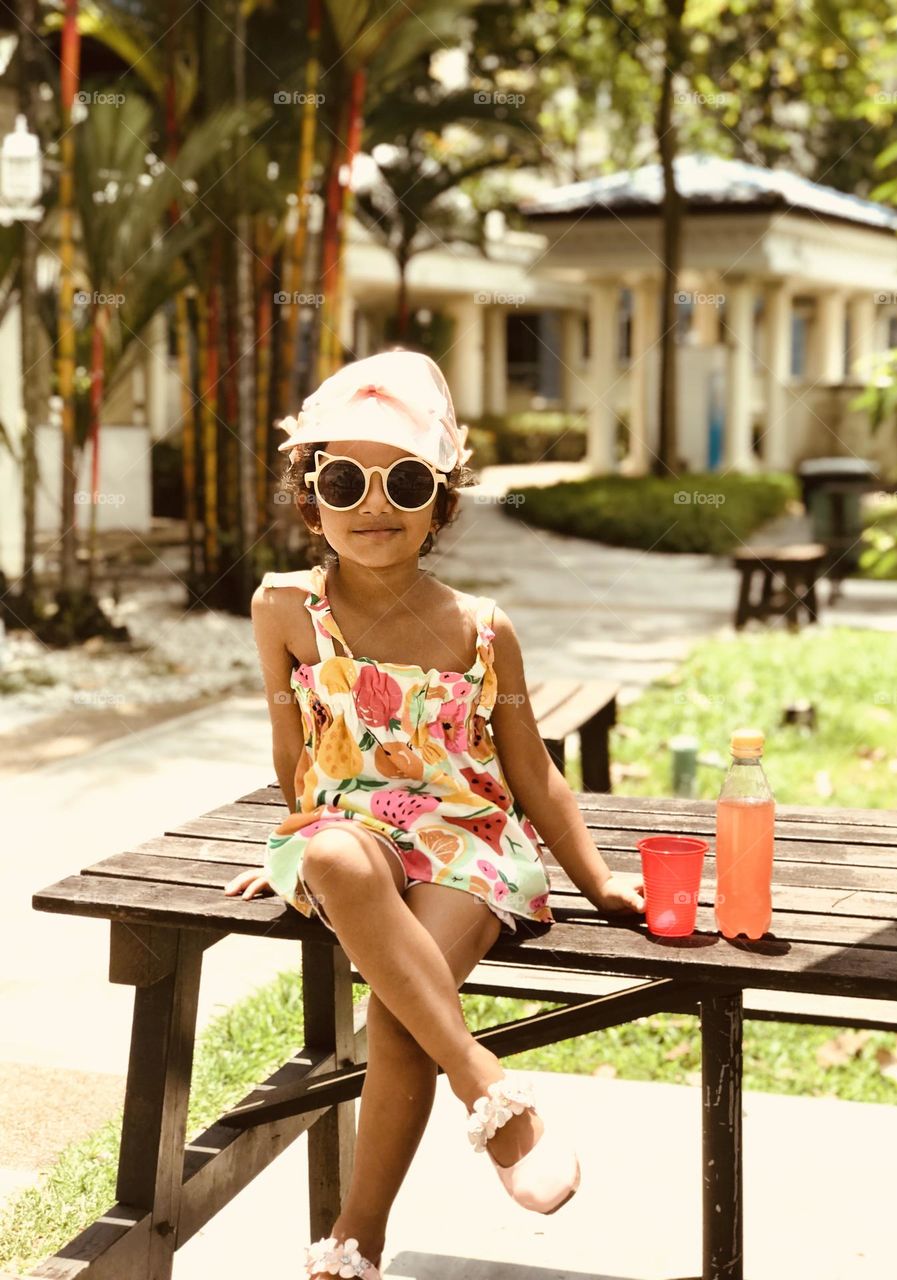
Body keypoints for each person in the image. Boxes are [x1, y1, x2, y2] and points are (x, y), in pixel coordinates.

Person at [225, 349, 645, 1279]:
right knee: (333, 860)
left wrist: (601, 880)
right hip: (350, 832)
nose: (373, 504)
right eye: (346, 480)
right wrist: (287, 843)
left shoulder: (482, 628)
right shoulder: (284, 609)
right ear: (312, 502)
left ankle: (354, 1240)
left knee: (399, 1014)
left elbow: (533, 772)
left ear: (441, 504)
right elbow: (290, 748)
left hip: (468, 839)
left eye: (404, 480)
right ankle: (491, 1092)